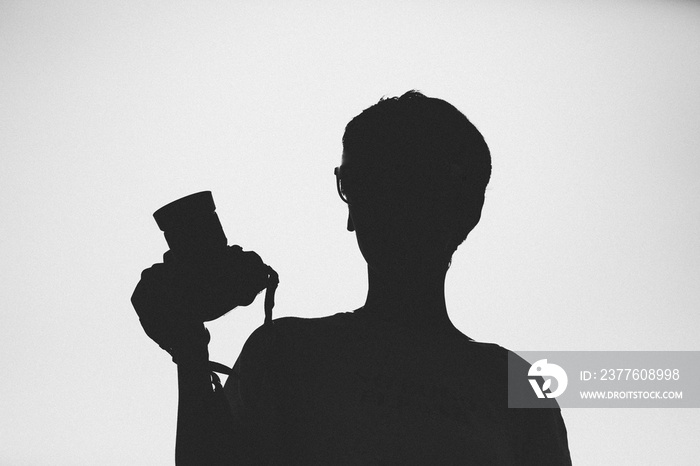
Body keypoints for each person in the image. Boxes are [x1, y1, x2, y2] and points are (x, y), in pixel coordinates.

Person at [132, 91, 572, 464]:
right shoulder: (515, 387)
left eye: (368, 182)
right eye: (357, 183)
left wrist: (190, 353)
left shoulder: (288, 356)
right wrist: (189, 353)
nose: (366, 207)